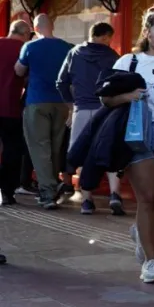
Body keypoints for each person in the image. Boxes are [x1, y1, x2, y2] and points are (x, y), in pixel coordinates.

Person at [101, 9, 154, 283]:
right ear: (147, 32)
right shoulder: (130, 61)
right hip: (139, 133)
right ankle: (151, 262)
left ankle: (141, 232)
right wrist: (128, 95)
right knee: (147, 198)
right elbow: (105, 99)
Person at [57, 21, 124, 215]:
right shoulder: (112, 56)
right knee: (110, 151)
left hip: (82, 109)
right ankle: (115, 195)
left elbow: (61, 82)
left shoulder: (74, 53)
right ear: (105, 37)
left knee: (82, 154)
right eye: (109, 39)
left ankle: (87, 201)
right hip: (107, 109)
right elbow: (121, 81)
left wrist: (71, 105)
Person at [14, 14, 72, 209]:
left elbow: (19, 70)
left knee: (40, 147)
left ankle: (47, 193)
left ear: (36, 29)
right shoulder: (68, 48)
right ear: (52, 26)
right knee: (56, 147)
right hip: (61, 102)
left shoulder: (30, 47)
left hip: (37, 102)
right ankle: (52, 187)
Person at [0, 20, 31, 207]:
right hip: (11, 107)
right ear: (26, 33)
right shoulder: (26, 49)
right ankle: (7, 192)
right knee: (13, 150)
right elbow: (26, 78)